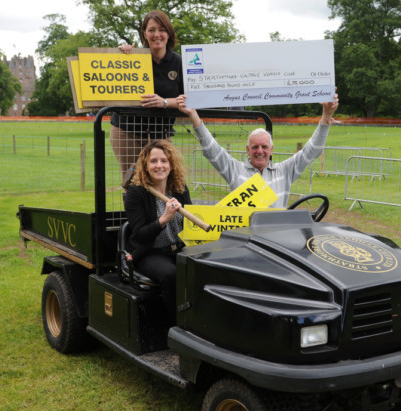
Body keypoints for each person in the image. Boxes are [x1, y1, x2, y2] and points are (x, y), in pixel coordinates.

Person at [177, 93, 340, 208]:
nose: (259, 151)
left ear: (271, 149)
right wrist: (193, 115)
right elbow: (211, 148)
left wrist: (326, 115)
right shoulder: (235, 170)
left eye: (264, 147)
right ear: (248, 150)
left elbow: (312, 150)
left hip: (275, 240)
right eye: (255, 147)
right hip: (245, 241)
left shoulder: (284, 171)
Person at [111, 10, 184, 187]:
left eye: (161, 29)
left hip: (162, 133)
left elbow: (189, 100)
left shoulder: (180, 62)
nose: (157, 34)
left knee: (163, 183)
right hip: (127, 130)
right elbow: (112, 81)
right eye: (151, 30)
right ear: (144, 33)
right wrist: (120, 54)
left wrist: (164, 102)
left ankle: (160, 216)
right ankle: (132, 216)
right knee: (132, 182)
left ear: (169, 33)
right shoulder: (132, 57)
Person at [124, 140, 191, 322]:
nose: (159, 165)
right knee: (171, 274)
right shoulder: (136, 192)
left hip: (178, 248)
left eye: (164, 161)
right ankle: (178, 325)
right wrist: (163, 219)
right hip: (149, 252)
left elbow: (190, 223)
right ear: (145, 166)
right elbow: (139, 234)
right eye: (153, 161)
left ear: (171, 165)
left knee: (201, 268)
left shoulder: (180, 189)